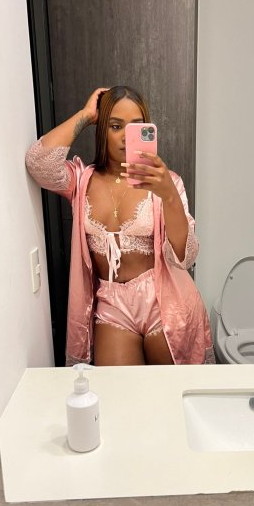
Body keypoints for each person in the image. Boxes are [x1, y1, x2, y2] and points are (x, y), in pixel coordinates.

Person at [25, 86, 214, 366]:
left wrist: (168, 195)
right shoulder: (81, 180)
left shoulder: (167, 182)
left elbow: (185, 257)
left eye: (135, 127)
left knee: (168, 390)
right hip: (113, 304)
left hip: (164, 300)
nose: (126, 136)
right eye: (115, 126)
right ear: (102, 129)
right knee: (118, 388)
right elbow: (38, 164)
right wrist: (85, 115)